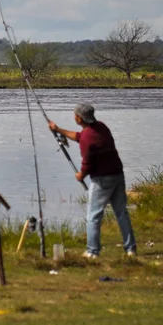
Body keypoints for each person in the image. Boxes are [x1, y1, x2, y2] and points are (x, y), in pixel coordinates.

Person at [48, 103, 136, 259]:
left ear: (79, 118)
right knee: (121, 212)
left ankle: (92, 251)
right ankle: (130, 249)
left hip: (102, 180)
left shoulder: (88, 139)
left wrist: (81, 175)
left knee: (93, 216)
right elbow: (78, 136)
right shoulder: (100, 127)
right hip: (118, 174)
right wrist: (58, 129)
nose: (74, 116)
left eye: (75, 114)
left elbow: (87, 162)